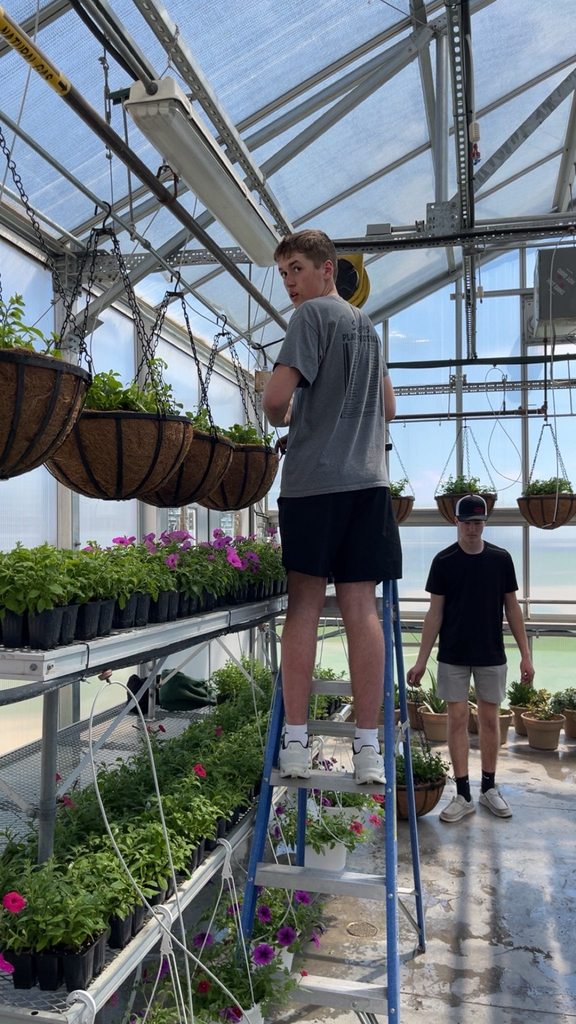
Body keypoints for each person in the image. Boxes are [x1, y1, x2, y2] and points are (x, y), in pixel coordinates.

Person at [262, 228, 402, 785]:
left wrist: (289, 416)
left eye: (296, 268)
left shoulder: (311, 318)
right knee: (361, 611)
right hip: (368, 485)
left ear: (328, 269)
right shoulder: (368, 329)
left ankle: (296, 742)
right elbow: (387, 408)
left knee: (302, 606)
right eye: (284, 274)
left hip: (315, 487)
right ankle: (369, 748)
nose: (290, 284)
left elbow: (276, 404)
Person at [407, 493, 535, 821]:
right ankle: (462, 794)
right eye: (467, 522)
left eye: (478, 522)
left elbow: (512, 609)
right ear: (457, 522)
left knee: (491, 720)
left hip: (492, 652)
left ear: (485, 523)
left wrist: (525, 654)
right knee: (458, 718)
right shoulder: (444, 561)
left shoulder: (500, 559)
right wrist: (422, 660)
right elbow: (434, 614)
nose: (473, 528)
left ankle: (489, 788)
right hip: (452, 653)